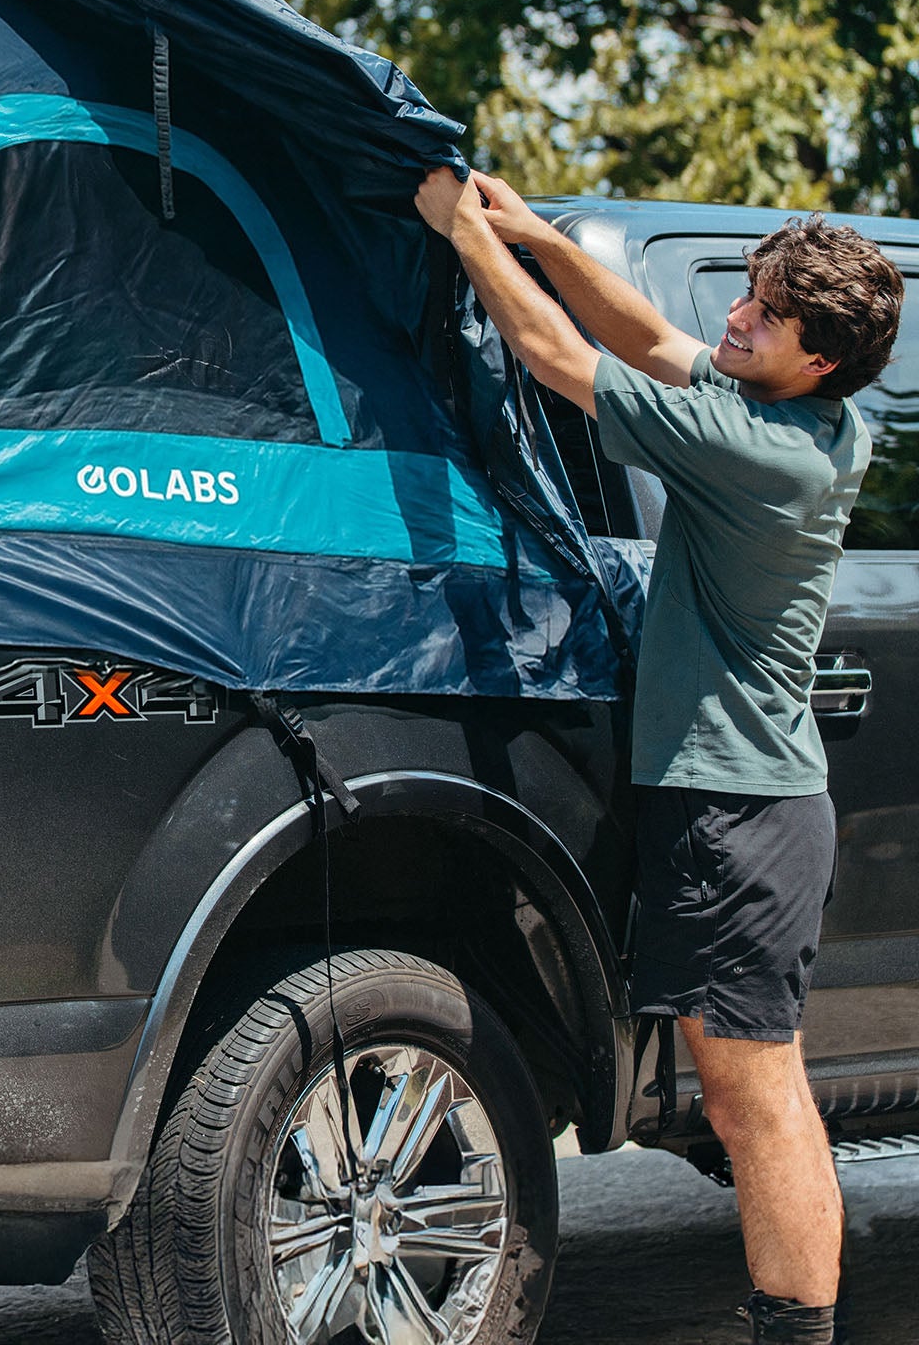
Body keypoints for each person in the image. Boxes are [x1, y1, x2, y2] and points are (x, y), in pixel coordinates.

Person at [415, 165, 903, 1345]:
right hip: (745, 803)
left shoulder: (762, 451)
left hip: (739, 815)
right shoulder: (810, 416)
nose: (733, 316)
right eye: (747, 291)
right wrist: (530, 229)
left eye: (762, 311)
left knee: (756, 1105)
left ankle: (793, 1328)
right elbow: (643, 333)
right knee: (751, 1096)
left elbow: (553, 356)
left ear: (814, 356)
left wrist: (461, 236)